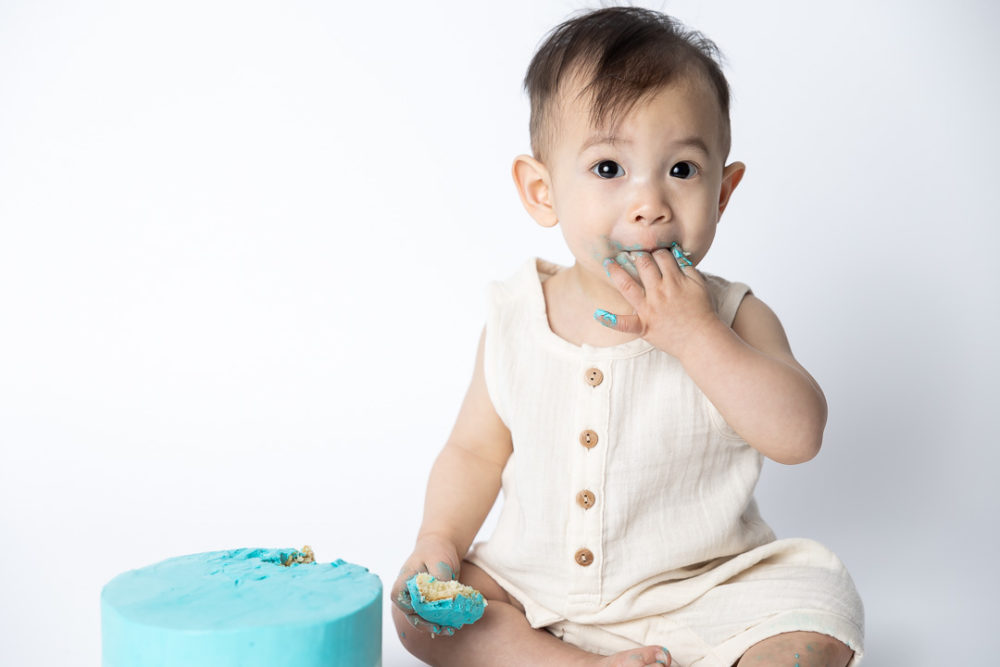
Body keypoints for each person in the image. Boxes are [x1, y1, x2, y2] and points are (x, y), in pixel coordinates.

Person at [392, 6, 864, 666]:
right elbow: (472, 451)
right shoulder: (516, 319)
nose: (650, 203)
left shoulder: (734, 316)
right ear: (541, 190)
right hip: (538, 590)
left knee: (821, 614)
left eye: (682, 170)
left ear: (723, 194)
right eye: (609, 169)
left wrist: (697, 335)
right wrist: (438, 536)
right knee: (422, 614)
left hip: (702, 592)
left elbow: (799, 434)